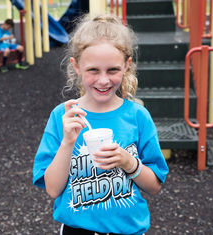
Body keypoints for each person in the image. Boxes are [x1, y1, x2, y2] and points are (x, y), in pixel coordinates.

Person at [33, 14, 169, 235]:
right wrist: (68, 142)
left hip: (128, 230)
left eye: (113, 70)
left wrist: (129, 163)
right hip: (77, 230)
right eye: (93, 70)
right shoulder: (63, 116)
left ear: (127, 66)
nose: (103, 80)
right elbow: (52, 188)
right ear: (76, 67)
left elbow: (154, 185)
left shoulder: (138, 116)